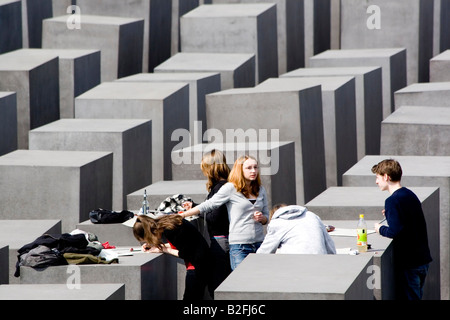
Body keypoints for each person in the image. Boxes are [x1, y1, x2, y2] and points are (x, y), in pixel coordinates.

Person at [180, 155, 269, 270]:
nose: (253, 171)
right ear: (240, 170)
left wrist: (262, 219)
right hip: (239, 246)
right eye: (249, 168)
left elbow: (266, 215)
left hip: (259, 244)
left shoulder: (261, 189)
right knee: (240, 283)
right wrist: (182, 215)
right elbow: (209, 204)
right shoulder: (231, 188)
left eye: (255, 167)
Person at [372, 159, 432, 300]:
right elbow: (408, 220)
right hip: (422, 259)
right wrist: (389, 214)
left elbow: (394, 231)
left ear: (386, 176)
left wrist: (379, 229)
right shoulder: (409, 195)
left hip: (409, 263)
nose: (376, 181)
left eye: (377, 177)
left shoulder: (392, 201)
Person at [183, 149, 232, 298]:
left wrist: (195, 211)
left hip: (221, 241)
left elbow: (214, 217)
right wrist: (196, 206)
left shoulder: (220, 188)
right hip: (221, 240)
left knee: (217, 285)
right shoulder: (224, 185)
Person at [133, 214, 211, 300]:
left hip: (197, 265)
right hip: (203, 261)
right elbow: (181, 244)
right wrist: (158, 247)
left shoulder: (169, 231)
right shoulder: (168, 222)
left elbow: (185, 253)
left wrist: (163, 249)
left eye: (148, 239)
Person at [256, 204, 336, 255]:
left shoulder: (277, 223)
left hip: (295, 264)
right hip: (320, 259)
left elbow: (264, 252)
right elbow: (329, 244)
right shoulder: (312, 215)